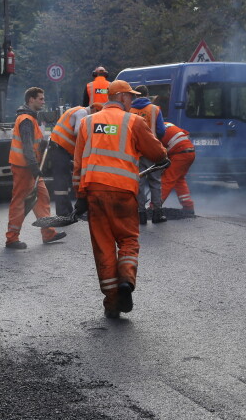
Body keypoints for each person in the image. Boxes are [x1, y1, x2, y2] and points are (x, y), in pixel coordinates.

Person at [73, 80, 168, 319]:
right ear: (123, 97)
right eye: (131, 97)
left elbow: (78, 165)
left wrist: (80, 197)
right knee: (127, 239)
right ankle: (126, 280)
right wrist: (163, 156)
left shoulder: (87, 123)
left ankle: (112, 302)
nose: (132, 101)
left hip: (94, 192)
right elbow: (156, 153)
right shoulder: (133, 121)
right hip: (124, 192)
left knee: (103, 246)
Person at [5, 87, 66, 249]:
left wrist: (44, 144)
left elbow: (32, 144)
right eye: (40, 98)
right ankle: (12, 238)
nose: (43, 101)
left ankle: (48, 233)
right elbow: (26, 148)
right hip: (24, 167)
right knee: (20, 202)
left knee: (42, 198)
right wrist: (34, 167)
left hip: (28, 167)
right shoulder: (26, 120)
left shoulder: (29, 118)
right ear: (31, 100)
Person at [49, 102, 103, 216]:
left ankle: (68, 210)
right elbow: (78, 131)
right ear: (92, 108)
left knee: (65, 180)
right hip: (60, 149)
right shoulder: (83, 113)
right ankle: (63, 212)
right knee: (61, 182)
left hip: (59, 148)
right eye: (96, 113)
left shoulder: (76, 110)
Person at [129, 84, 167, 224]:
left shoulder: (129, 110)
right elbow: (161, 131)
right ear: (147, 94)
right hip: (151, 150)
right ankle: (157, 213)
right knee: (155, 182)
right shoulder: (154, 109)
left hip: (136, 152)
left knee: (139, 182)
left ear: (135, 95)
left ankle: (141, 214)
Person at [160, 122, 195, 215]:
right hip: (189, 152)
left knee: (167, 179)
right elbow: (185, 133)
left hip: (180, 154)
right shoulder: (166, 124)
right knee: (179, 179)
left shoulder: (154, 130)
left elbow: (156, 150)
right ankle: (188, 207)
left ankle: (155, 206)